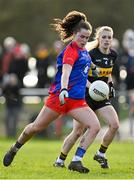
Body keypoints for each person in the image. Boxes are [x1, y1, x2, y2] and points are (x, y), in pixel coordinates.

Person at [3, 11, 100, 173]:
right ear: (74, 34)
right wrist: (63, 89)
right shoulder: (71, 51)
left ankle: (76, 160)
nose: (84, 40)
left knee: (95, 126)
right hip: (60, 97)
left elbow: (83, 74)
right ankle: (15, 147)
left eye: (87, 37)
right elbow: (66, 74)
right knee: (35, 128)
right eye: (82, 36)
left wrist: (94, 77)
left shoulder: (84, 52)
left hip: (76, 101)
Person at [54, 26, 119, 169]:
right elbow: (81, 76)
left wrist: (110, 84)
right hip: (85, 96)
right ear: (98, 39)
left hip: (101, 96)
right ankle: (60, 159)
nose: (107, 40)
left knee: (114, 124)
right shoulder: (90, 54)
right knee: (77, 132)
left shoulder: (113, 55)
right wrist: (93, 87)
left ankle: (100, 154)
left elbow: (107, 72)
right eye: (104, 37)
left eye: (109, 37)